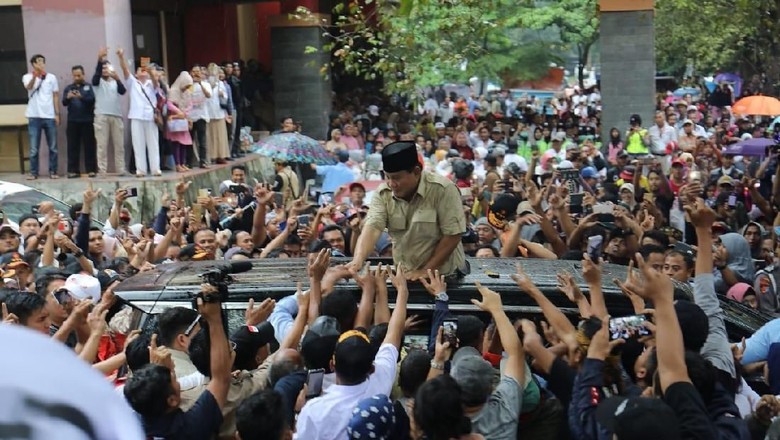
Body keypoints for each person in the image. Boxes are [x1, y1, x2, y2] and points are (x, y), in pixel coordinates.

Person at [349, 141, 467, 280]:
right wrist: (357, 261)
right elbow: (373, 227)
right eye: (388, 177)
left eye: (397, 178)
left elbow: (453, 235)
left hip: (444, 276)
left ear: (416, 172)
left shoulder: (443, 189)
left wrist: (426, 271)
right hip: (405, 275)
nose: (392, 184)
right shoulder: (383, 193)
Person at [123, 286, 231, 439]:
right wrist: (214, 320)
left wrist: (159, 372)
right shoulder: (190, 427)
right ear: (172, 400)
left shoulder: (131, 423)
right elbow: (221, 378)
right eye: (175, 379)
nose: (178, 379)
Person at [116, 48, 161, 177]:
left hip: (150, 117)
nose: (142, 71)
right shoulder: (133, 83)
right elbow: (125, 70)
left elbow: (156, 81)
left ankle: (155, 168)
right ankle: (140, 169)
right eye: (140, 70)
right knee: (138, 143)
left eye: (143, 70)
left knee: (153, 143)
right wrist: (121, 57)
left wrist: (149, 70)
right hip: (136, 116)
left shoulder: (151, 84)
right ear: (136, 74)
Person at [22, 53, 60, 180]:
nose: (41, 64)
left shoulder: (51, 78)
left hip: (49, 116)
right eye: (38, 62)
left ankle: (53, 171)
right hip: (34, 116)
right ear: (33, 64)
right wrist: (35, 76)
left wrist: (57, 113)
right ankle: (33, 172)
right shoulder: (27, 77)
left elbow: (55, 95)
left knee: (53, 147)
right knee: (34, 148)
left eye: (42, 62)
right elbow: (29, 87)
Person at [92, 47, 127, 176]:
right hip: (101, 116)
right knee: (102, 145)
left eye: (108, 68)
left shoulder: (114, 82)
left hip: (116, 116)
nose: (105, 70)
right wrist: (99, 59)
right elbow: (95, 76)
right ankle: (102, 170)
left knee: (119, 145)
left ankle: (121, 169)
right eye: (103, 68)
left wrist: (117, 78)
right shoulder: (98, 82)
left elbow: (123, 91)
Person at [62, 65, 97, 178]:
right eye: (75, 75)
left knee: (89, 146)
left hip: (87, 120)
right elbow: (64, 103)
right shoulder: (69, 88)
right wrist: (68, 97)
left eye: (79, 75)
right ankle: (73, 170)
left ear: (83, 74)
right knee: (72, 146)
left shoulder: (88, 87)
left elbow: (92, 100)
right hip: (73, 121)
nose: (77, 77)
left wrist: (81, 96)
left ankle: (91, 169)